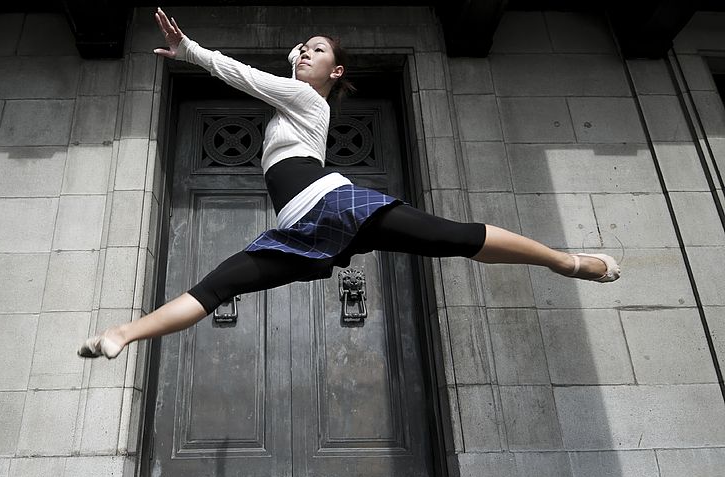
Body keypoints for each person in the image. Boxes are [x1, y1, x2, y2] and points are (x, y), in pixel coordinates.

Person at [79, 7, 620, 359]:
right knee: (220, 284)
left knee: (452, 238)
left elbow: (248, 76)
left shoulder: (307, 98)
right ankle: (123, 334)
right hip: (299, 232)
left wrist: (191, 51)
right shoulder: (294, 100)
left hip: (335, 205)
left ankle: (566, 262)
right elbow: (279, 72)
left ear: (335, 74)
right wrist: (297, 54)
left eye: (318, 51)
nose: (305, 54)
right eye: (302, 49)